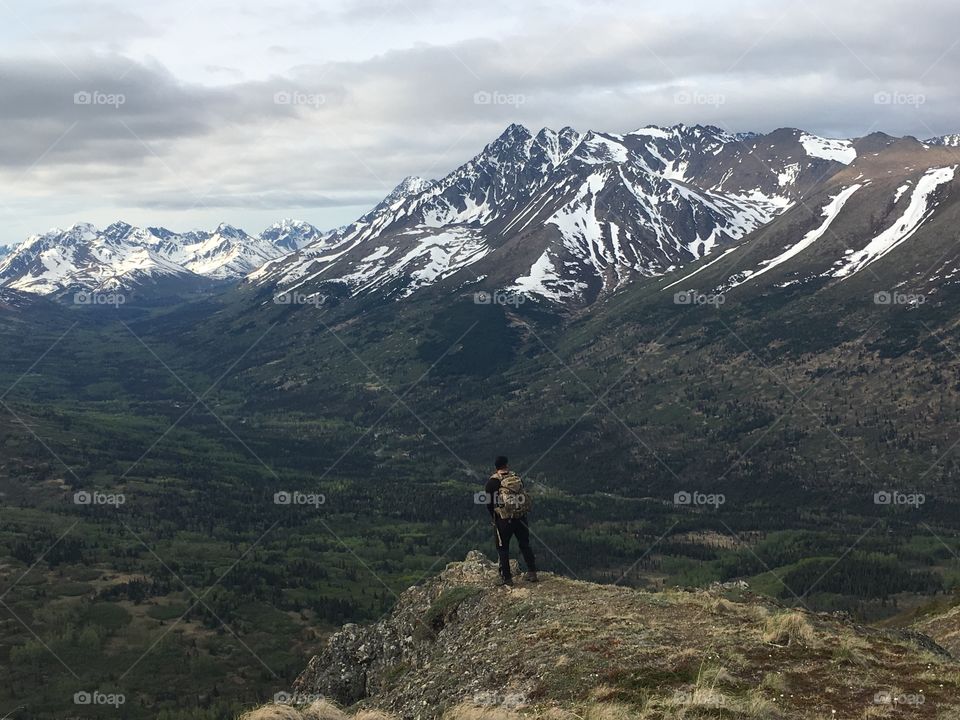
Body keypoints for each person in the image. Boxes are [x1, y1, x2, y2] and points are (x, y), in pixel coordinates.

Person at [485, 455, 537, 586]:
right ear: (507, 465)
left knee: (503, 549)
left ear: (496, 467)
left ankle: (507, 578)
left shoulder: (492, 482)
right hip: (521, 517)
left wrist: (494, 516)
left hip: (504, 520)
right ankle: (532, 572)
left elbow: (489, 503)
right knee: (525, 544)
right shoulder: (516, 478)